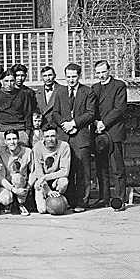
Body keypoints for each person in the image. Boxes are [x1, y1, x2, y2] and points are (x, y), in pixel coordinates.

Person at [52, 63, 96, 213]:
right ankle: (69, 201)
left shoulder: (88, 92)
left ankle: (82, 202)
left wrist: (74, 123)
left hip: (81, 136)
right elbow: (55, 113)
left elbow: (91, 113)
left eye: (74, 76)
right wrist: (64, 124)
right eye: (68, 77)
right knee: (67, 170)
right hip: (64, 136)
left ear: (79, 76)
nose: (71, 80)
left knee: (82, 170)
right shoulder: (60, 92)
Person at [92, 59, 128, 210]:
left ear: (109, 70)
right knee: (101, 167)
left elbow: (119, 109)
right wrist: (95, 122)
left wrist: (103, 123)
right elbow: (91, 109)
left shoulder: (119, 85)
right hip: (99, 133)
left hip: (114, 131)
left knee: (117, 168)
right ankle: (104, 197)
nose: (101, 75)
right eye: (98, 73)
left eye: (103, 72)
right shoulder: (94, 88)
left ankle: (120, 200)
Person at [29, 123, 71, 214]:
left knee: (64, 181)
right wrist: (48, 191)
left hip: (55, 180)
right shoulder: (38, 147)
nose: (50, 139)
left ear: (57, 136)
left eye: (52, 136)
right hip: (41, 182)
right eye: (47, 136)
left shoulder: (64, 146)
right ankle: (47, 197)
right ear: (43, 137)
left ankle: (58, 199)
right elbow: (39, 173)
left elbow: (64, 171)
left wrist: (46, 177)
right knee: (42, 210)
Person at [0, 69, 32, 146]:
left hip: (20, 130)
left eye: (12, 81)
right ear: (1, 81)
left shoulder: (24, 95)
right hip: (1, 132)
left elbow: (28, 114)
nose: (9, 84)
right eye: (6, 81)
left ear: (15, 81)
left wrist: (27, 132)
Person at [0, 129, 33, 216]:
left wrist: (28, 187)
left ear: (18, 139)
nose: (12, 142)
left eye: (14, 139)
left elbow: (33, 172)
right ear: (5, 141)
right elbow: (1, 178)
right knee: (5, 199)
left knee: (17, 177)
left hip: (21, 183)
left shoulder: (27, 152)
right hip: (8, 186)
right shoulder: (1, 153)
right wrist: (14, 190)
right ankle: (10, 204)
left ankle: (21, 204)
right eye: (9, 139)